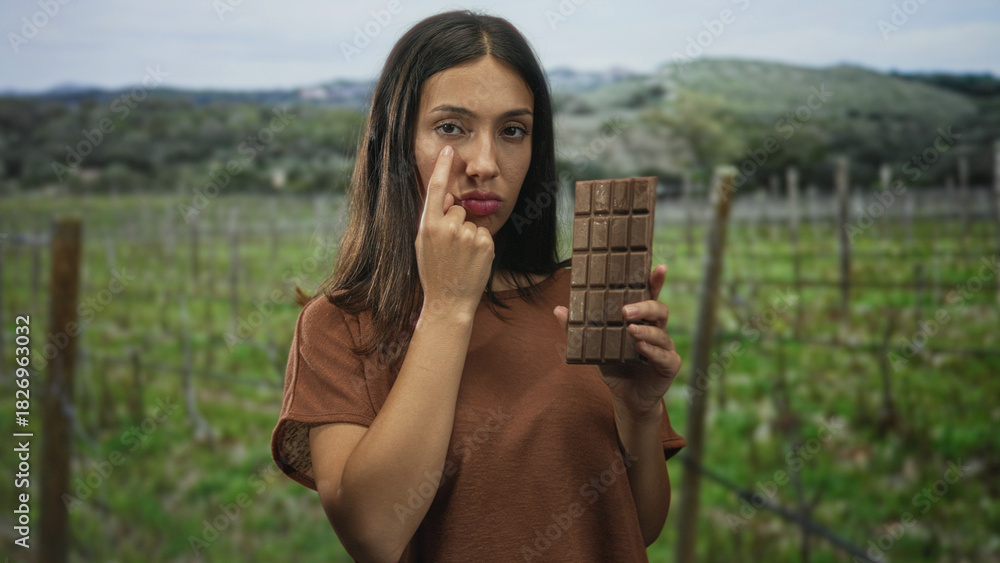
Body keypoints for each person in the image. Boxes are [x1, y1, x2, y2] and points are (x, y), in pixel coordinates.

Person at [271, 10, 685, 562]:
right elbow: (373, 535)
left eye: (513, 131)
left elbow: (638, 526)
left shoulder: (586, 300)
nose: (485, 163)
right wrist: (447, 307)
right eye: (451, 127)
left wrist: (639, 412)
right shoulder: (339, 326)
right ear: (397, 142)